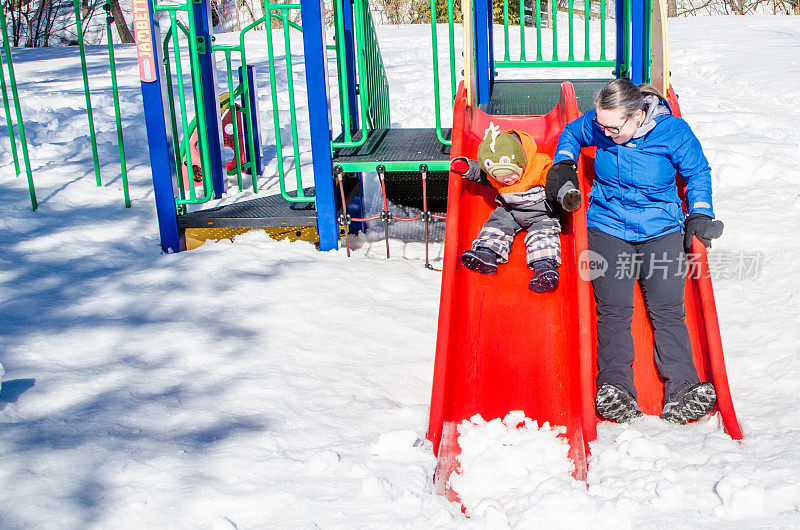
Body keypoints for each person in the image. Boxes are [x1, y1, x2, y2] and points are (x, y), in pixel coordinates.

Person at [546, 78, 724, 424]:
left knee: (669, 310)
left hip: (661, 230)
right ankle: (615, 388)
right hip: (608, 228)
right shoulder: (600, 125)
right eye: (602, 125)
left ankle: (683, 389)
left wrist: (701, 211)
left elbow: (697, 172)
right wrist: (564, 163)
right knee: (613, 312)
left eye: (614, 127)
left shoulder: (673, 132)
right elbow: (571, 133)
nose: (606, 133)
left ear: (638, 115)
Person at [450, 123, 581, 292]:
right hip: (510, 210)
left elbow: (557, 181)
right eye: (500, 177)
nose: (507, 180)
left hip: (542, 214)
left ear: (520, 163)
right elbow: (481, 173)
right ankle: (486, 253)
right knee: (496, 223)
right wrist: (467, 168)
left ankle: (544, 268)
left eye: (511, 174)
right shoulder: (494, 173)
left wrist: (567, 195)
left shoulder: (540, 166)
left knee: (544, 235)